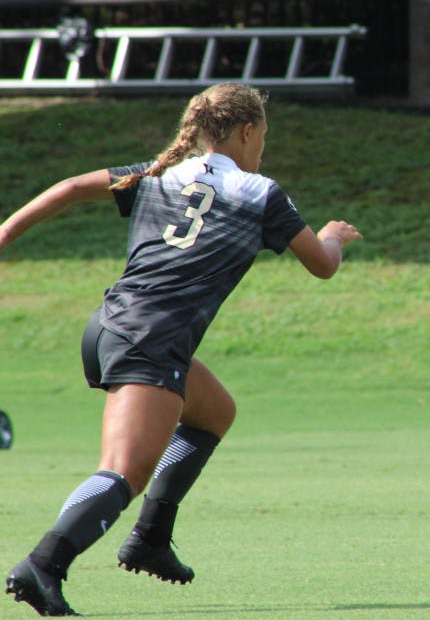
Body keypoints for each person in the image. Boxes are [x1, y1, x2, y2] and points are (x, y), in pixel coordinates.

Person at [1, 82, 362, 616]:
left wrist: (4, 235)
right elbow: (322, 264)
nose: (262, 148)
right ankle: (43, 565)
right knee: (122, 471)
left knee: (214, 411)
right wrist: (332, 234)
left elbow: (73, 186)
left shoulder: (160, 174)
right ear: (246, 132)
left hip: (113, 325)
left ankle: (150, 538)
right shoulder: (260, 193)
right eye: (262, 136)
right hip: (150, 339)